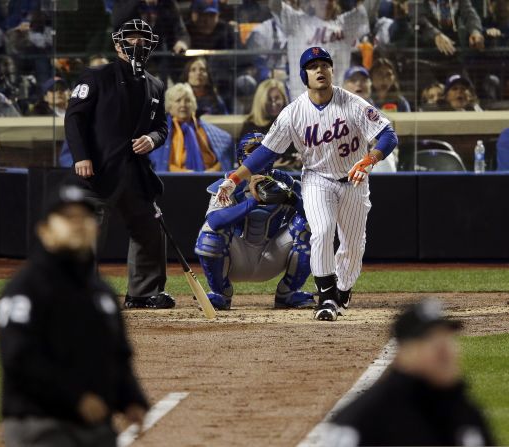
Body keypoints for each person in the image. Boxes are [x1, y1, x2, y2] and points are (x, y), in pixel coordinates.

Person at [215, 46, 398, 321]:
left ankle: (343, 289)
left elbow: (388, 136)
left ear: (332, 71)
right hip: (317, 179)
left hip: (354, 180)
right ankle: (325, 298)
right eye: (313, 67)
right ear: (305, 75)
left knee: (353, 246)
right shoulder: (293, 113)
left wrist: (370, 160)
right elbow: (266, 152)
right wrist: (233, 179)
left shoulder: (354, 103)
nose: (320, 70)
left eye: (325, 65)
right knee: (322, 231)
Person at [0, 184, 150, 447]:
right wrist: (76, 396)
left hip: (96, 427)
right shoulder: (25, 289)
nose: (78, 224)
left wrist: (132, 398)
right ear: (44, 230)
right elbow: (20, 357)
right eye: (67, 217)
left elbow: (117, 353)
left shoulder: (99, 291)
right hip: (41, 424)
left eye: (85, 217)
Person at [64, 18, 175, 309]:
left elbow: (162, 127)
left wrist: (152, 139)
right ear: (117, 44)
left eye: (143, 39)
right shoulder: (95, 76)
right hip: (98, 170)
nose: (137, 44)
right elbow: (74, 118)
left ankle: (143, 292)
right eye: (131, 38)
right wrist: (81, 156)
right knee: (86, 232)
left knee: (150, 229)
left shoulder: (155, 85)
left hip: (136, 173)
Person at [329, 298, 495, 446]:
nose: (444, 350)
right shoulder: (365, 420)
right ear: (403, 353)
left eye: (447, 338)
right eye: (430, 340)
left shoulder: (467, 414)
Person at [194, 132, 316, 310]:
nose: (260, 155)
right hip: (238, 257)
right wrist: (254, 201)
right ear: (241, 157)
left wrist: (293, 200)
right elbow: (215, 221)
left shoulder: (285, 181)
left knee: (310, 226)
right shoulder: (229, 183)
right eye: (253, 150)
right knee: (210, 233)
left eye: (264, 149)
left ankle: (288, 293)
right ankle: (220, 293)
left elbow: (316, 215)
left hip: (272, 255)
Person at [268, 0, 370, 99]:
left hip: (337, 99)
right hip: (304, 98)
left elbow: (370, 7)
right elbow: (274, 5)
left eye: (330, 0)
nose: (326, 2)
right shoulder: (297, 22)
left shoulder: (346, 24)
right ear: (312, 2)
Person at [148, 82, 234, 172]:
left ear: (193, 104)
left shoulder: (205, 129)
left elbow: (224, 156)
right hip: (172, 181)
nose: (183, 105)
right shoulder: (160, 132)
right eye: (178, 101)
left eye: (187, 100)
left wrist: (212, 171)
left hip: (208, 179)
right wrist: (184, 173)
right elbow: (160, 163)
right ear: (170, 106)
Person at [240, 79, 302, 170]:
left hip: (292, 174)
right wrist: (269, 167)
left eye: (277, 98)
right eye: (269, 99)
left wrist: (300, 160)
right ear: (260, 101)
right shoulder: (250, 126)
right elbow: (244, 163)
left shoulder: (293, 123)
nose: (274, 103)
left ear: (284, 99)